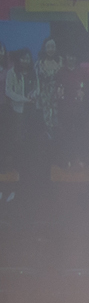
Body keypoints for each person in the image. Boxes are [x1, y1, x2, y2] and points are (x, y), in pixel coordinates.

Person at [4, 48, 38, 202]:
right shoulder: (12, 72)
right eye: (23, 59)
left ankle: (28, 171)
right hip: (17, 111)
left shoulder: (33, 71)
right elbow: (8, 92)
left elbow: (38, 87)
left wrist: (34, 94)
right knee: (17, 140)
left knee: (30, 140)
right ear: (18, 60)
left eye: (28, 58)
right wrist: (24, 99)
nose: (25, 61)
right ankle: (16, 168)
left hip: (31, 112)